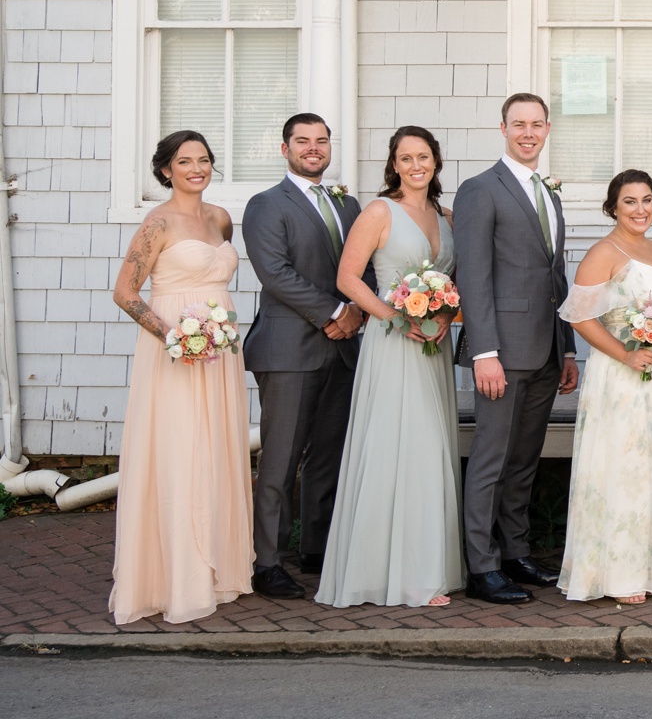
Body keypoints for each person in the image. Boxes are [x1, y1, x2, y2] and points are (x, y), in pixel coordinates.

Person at [315, 126, 465, 609]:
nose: (415, 165)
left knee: (431, 445)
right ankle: (398, 575)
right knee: (398, 445)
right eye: (406, 157)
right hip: (392, 340)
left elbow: (453, 279)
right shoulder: (379, 211)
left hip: (433, 342)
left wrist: (442, 316)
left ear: (436, 162)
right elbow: (347, 277)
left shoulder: (447, 215)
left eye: (423, 156)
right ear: (394, 164)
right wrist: (397, 318)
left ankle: (428, 565)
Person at [108, 131, 253, 625]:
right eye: (185, 161)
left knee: (216, 449)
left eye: (204, 160)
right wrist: (172, 336)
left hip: (221, 354)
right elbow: (125, 292)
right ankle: (174, 578)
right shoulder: (157, 223)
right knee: (180, 450)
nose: (196, 168)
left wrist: (211, 336)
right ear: (166, 169)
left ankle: (217, 568)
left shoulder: (220, 219)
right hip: (175, 350)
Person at [556, 169, 652, 605]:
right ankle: (622, 572)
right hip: (626, 375)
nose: (640, 209)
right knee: (629, 465)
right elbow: (580, 317)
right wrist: (625, 354)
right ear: (612, 207)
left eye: (647, 200)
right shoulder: (604, 251)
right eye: (630, 201)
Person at [454, 94, 579, 605]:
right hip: (501, 352)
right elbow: (474, 276)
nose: (528, 133)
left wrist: (567, 349)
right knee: (491, 458)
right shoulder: (480, 190)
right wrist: (484, 351)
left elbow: (557, 279)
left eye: (536, 124)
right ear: (502, 128)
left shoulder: (548, 194)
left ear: (547, 129)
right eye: (518, 124)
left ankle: (514, 552)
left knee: (525, 459)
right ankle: (481, 567)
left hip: (546, 350)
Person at [240, 112, 365, 599]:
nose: (313, 148)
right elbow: (275, 272)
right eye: (302, 141)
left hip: (343, 349)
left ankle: (315, 548)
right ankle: (266, 562)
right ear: (284, 147)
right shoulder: (266, 204)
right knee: (281, 459)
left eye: (321, 141)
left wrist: (356, 310)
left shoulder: (347, 204)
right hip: (289, 348)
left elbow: (364, 266)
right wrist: (337, 311)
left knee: (328, 455)